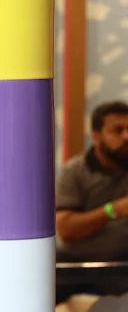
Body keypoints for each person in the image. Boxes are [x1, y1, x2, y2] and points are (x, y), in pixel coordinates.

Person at [56, 101, 128, 261]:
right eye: (118, 130)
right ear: (96, 136)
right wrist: (112, 210)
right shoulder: (73, 171)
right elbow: (65, 229)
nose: (126, 137)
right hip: (77, 266)